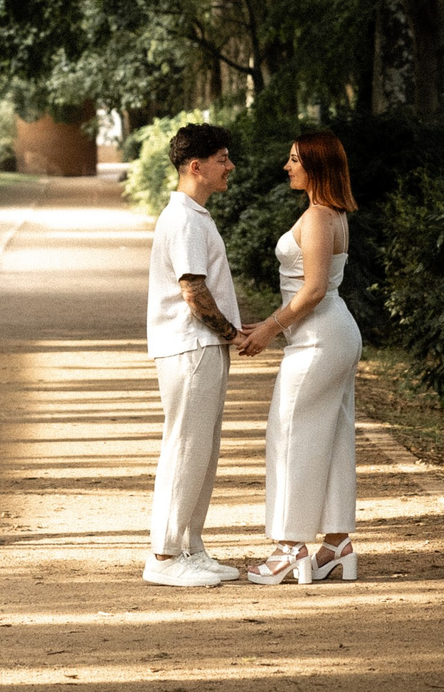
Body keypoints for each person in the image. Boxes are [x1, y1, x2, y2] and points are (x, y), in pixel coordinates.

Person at [234, 132, 360, 585]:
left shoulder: (320, 217)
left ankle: (289, 548)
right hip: (330, 335)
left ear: (316, 166)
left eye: (294, 160)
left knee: (288, 434)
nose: (287, 167)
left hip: (319, 338)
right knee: (332, 435)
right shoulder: (331, 214)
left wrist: (269, 327)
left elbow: (314, 289)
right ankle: (337, 545)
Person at [142, 122, 245, 588]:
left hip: (202, 346)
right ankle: (164, 556)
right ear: (196, 166)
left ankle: (190, 546)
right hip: (190, 345)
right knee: (185, 448)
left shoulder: (196, 214)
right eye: (222, 159)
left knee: (202, 451)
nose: (230, 166)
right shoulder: (183, 218)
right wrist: (232, 333)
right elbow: (193, 291)